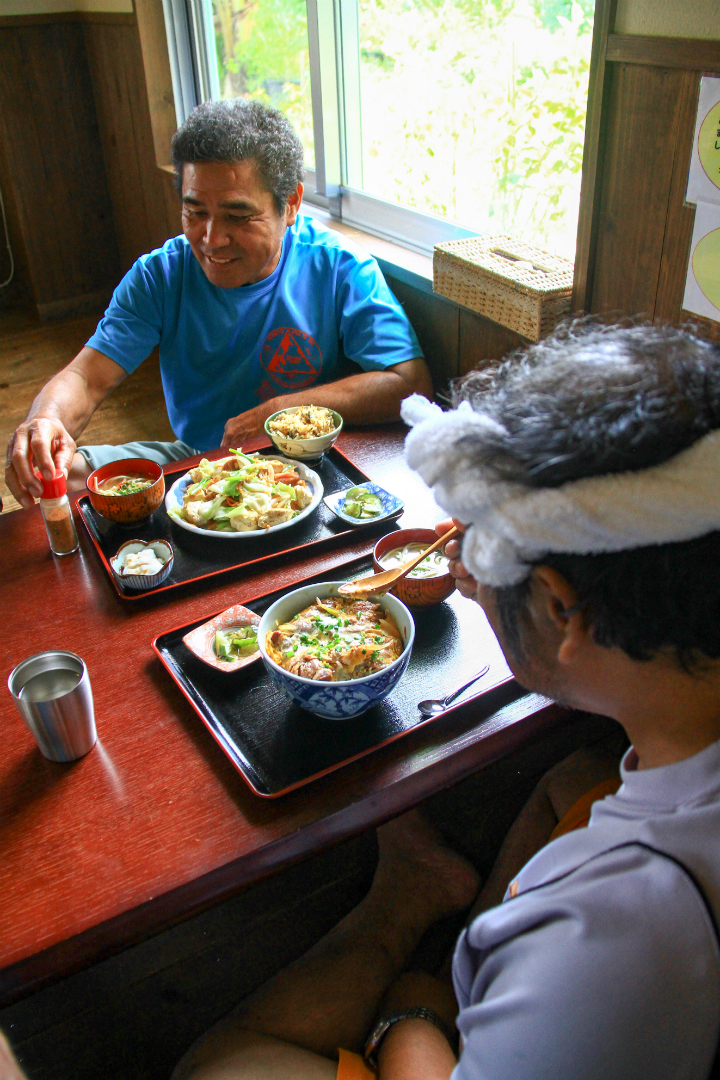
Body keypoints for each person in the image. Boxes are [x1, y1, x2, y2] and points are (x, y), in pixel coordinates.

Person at [168, 322, 720, 1080]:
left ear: (561, 609)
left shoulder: (611, 939)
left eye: (478, 547)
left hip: (571, 992)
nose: (458, 563)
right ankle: (438, 906)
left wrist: (414, 1012)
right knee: (570, 775)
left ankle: (407, 930)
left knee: (214, 1067)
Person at [5, 99, 431, 509]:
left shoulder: (339, 266)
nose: (212, 239)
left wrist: (278, 411)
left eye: (238, 216)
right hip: (199, 460)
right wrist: (45, 424)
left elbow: (409, 383)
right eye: (195, 213)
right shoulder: (160, 275)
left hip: (310, 462)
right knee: (59, 476)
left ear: (291, 205)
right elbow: (86, 377)